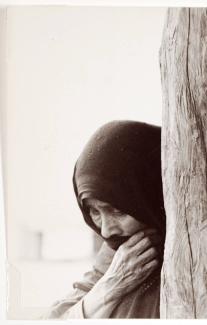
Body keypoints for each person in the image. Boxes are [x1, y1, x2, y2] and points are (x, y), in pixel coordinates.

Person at [44, 120, 165, 318]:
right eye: (94, 212)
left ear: (150, 199)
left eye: (118, 211)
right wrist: (110, 287)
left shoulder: (203, 265)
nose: (106, 231)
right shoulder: (117, 259)